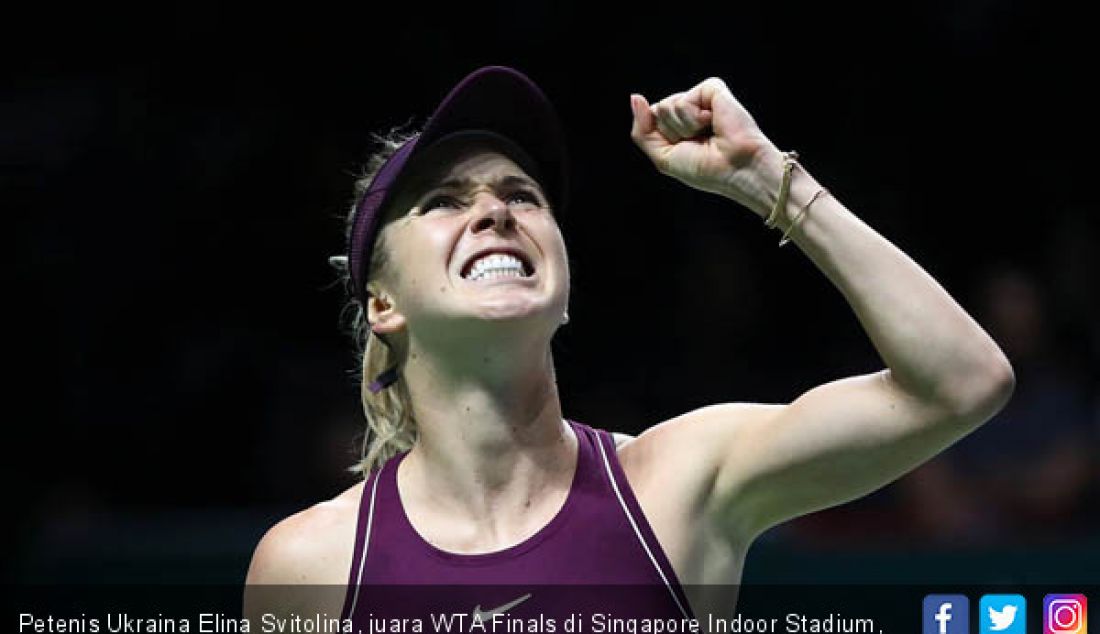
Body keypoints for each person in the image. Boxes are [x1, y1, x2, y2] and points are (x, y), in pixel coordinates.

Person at [243, 66, 1014, 623]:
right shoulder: (311, 565)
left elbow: (962, 382)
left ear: (566, 283)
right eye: (445, 201)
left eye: (523, 196)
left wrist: (765, 179)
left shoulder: (677, 483)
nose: (497, 213)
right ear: (383, 303)